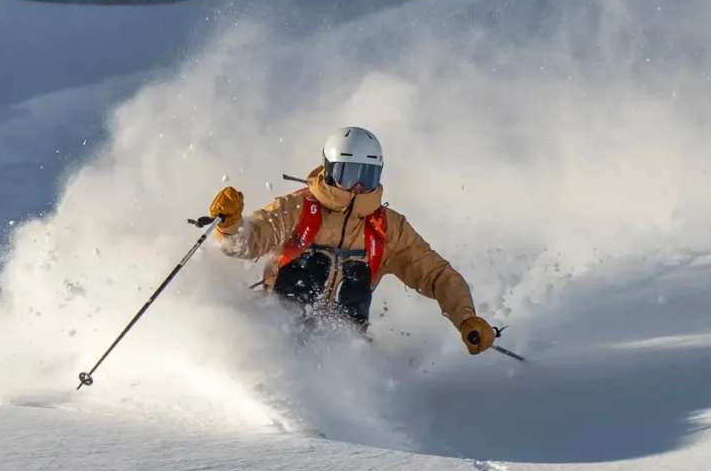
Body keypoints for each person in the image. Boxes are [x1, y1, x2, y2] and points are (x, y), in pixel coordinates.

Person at [207, 126, 498, 354]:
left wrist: (465, 318)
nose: (358, 187)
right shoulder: (297, 209)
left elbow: (436, 274)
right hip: (277, 330)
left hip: (339, 344)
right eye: (349, 175)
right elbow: (249, 242)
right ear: (330, 170)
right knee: (315, 263)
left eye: (367, 177)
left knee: (354, 277)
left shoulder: (387, 228)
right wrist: (230, 225)